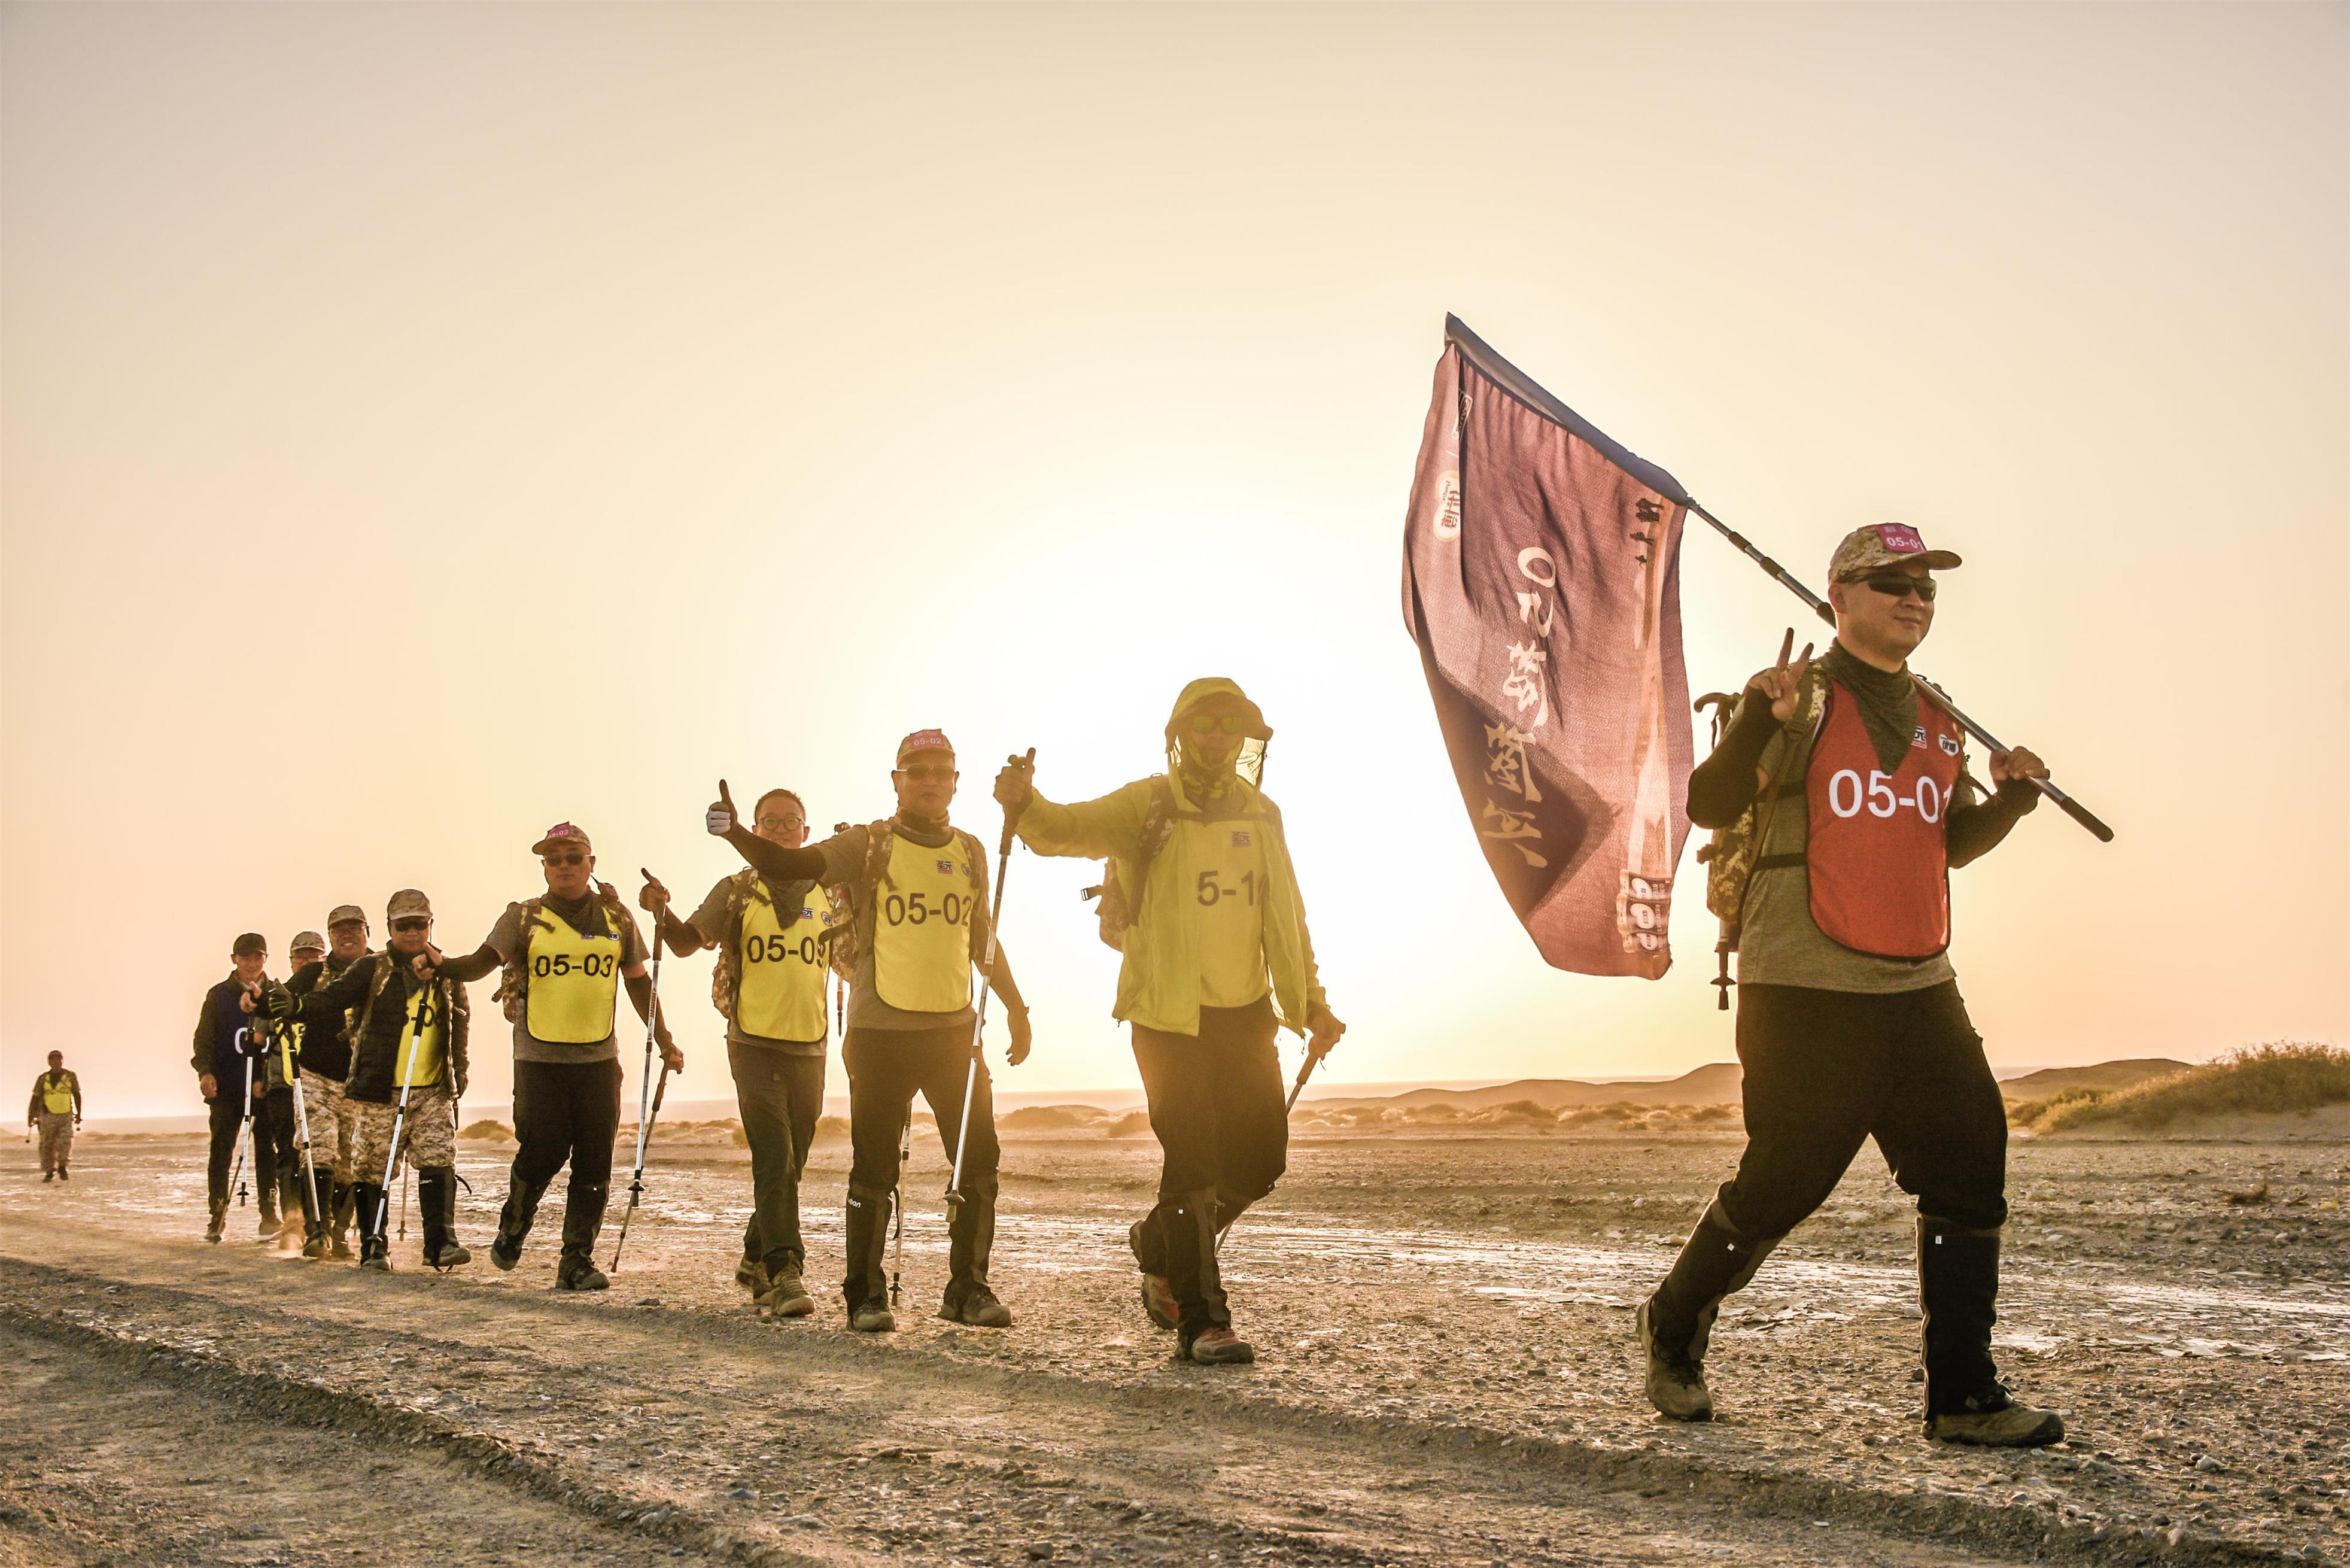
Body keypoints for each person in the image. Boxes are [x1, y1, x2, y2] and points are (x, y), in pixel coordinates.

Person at [1637, 522, 2063, 1447]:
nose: (1913, 597)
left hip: (1919, 980)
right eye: (1890, 581)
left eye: (1924, 586)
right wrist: (1758, 716)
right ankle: (1672, 1323)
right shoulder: (1800, 698)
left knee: (1968, 1167)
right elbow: (1709, 804)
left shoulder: (1940, 717)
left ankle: (1961, 1396)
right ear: (1838, 595)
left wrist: (2012, 801)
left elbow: (1945, 844)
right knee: (1786, 1180)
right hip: (1803, 983)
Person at [996, 677, 1344, 1366]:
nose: (1217, 734)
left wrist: (1312, 1003)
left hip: (1247, 1015)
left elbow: (1287, 918)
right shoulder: (1147, 804)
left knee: (1262, 1159)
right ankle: (1203, 1322)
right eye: (1204, 722)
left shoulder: (1266, 815)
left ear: (1246, 737)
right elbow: (1065, 829)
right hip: (1166, 1016)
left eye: (1230, 724)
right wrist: (1025, 803)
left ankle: (1159, 1243)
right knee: (1195, 1164)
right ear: (1180, 732)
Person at [706, 730, 1032, 1333]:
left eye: (942, 770)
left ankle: (967, 1287)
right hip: (880, 1031)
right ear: (897, 780)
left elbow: (980, 935)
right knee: (874, 1167)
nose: (930, 779)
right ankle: (865, 1293)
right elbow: (789, 862)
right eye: (917, 770)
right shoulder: (868, 843)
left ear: (956, 781)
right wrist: (738, 836)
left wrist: (1016, 1005)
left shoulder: (972, 851)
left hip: (955, 1031)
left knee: (978, 1158)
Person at [428, 824, 679, 1292]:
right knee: (542, 1152)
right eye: (554, 859)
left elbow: (638, 981)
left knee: (594, 1163)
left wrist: (664, 1039)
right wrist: (441, 964)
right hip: (539, 1058)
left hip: (599, 1060)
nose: (564, 866)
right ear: (544, 867)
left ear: (591, 863)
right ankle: (515, 1223)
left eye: (573, 857)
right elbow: (482, 963)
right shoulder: (522, 916)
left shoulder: (617, 917)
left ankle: (576, 1261)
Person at [640, 786, 832, 1320]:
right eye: (767, 822)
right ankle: (784, 1271)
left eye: (788, 822)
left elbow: (861, 956)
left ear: (805, 832)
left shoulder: (830, 892)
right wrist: (661, 910)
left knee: (793, 1161)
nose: (777, 831)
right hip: (751, 1041)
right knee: (774, 1154)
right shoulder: (737, 889)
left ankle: (754, 1256)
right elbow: (684, 943)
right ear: (754, 828)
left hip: (811, 1043)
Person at [274, 891, 471, 1272]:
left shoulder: (447, 970)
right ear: (389, 928)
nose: (413, 931)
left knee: (437, 1157)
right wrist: (294, 1005)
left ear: (431, 924)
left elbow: (460, 1019)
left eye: (420, 923)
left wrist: (459, 1068)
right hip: (381, 1088)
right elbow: (332, 998)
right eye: (404, 925)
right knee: (372, 1168)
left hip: (431, 1088)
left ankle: (441, 1242)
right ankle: (373, 1245)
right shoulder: (373, 969)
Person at [285, 906, 373, 1257]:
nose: (347, 935)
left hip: (365, 1080)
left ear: (367, 931)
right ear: (330, 937)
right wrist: (261, 1003)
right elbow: (284, 1001)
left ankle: (340, 1231)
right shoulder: (313, 974)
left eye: (354, 929)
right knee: (316, 1150)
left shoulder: (383, 969)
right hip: (315, 1076)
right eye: (339, 931)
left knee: (353, 1161)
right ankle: (316, 1231)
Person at [191, 932, 272, 1242]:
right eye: (246, 957)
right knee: (221, 1151)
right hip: (226, 1087)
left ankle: (270, 1213)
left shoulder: (276, 992)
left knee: (268, 1150)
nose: (252, 963)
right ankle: (217, 1215)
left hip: (264, 1088)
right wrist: (205, 1072)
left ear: (266, 959)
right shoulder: (218, 996)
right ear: (234, 959)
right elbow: (204, 1039)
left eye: (258, 957)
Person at [28, 1050, 82, 1182]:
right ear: (49, 1062)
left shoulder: (70, 1076)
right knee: (46, 1145)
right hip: (47, 1117)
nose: (56, 1063)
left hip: (65, 1116)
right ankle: (49, 1171)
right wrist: (30, 1115)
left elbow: (76, 1094)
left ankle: (62, 1167)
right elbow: (35, 1097)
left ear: (62, 1061)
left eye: (59, 1060)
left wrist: (79, 1113)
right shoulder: (43, 1079)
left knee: (65, 1143)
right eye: (53, 1060)